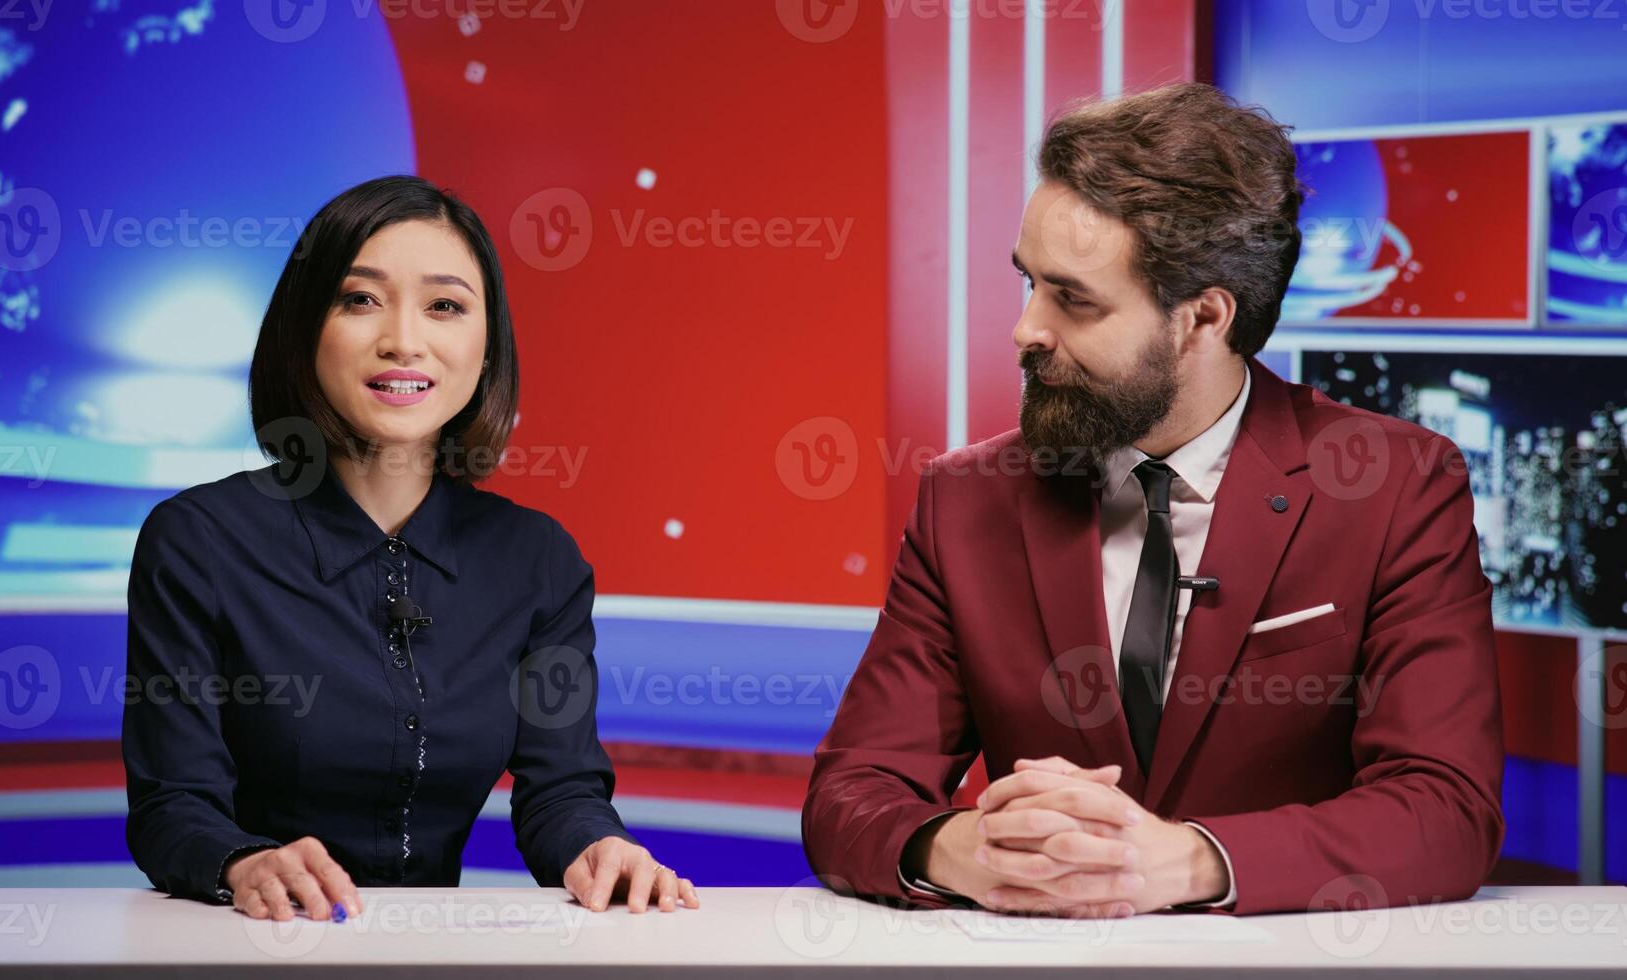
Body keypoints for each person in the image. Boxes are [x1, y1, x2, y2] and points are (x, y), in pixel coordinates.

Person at [802, 84, 1504, 917]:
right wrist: (966, 849)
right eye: (1028, 282)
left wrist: (1184, 862)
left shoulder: (1398, 488)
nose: (1025, 328)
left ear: (1203, 317)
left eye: (1073, 298)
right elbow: (850, 794)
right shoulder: (965, 500)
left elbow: (1445, 810)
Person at [123, 175, 698, 920]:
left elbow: (561, 791)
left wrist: (598, 846)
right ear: (304, 327)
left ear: (486, 347)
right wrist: (244, 863)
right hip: (248, 950)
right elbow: (172, 808)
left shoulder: (539, 561)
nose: (402, 340)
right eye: (359, 300)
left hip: (432, 957)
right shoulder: (198, 541)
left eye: (446, 306)